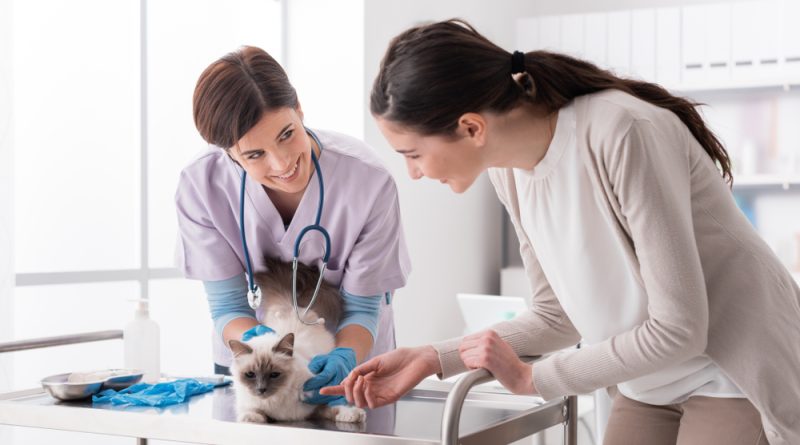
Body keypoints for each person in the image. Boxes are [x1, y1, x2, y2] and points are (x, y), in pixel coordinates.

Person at [321, 19, 800, 444]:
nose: (414, 174)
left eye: (412, 154)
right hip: (649, 381)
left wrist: (535, 379)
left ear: (470, 127)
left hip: (731, 371)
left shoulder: (621, 131)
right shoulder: (507, 171)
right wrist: (432, 357)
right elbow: (556, 317)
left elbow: (680, 329)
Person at [175, 46, 411, 406]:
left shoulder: (367, 180)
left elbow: (363, 310)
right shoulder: (202, 185)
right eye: (254, 155)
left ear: (299, 109)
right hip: (258, 374)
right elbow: (227, 307)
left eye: (287, 133)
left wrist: (343, 358)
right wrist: (261, 342)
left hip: (352, 372)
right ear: (229, 154)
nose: (283, 163)